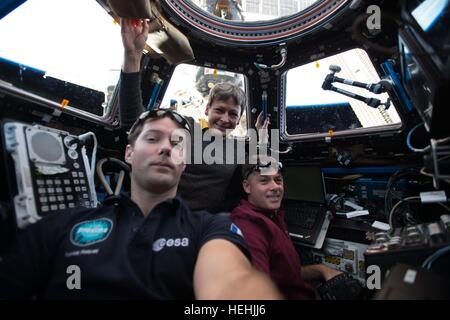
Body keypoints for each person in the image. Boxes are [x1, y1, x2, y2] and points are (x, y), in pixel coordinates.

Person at [0, 109, 282, 299]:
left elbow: (232, 284)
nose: (165, 147)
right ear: (129, 153)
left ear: (184, 162)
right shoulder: (64, 225)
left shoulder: (210, 229)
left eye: (176, 143)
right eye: (152, 138)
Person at [119, 18, 268, 213]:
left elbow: (261, 176)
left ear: (239, 119)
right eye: (219, 110)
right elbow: (134, 122)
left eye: (233, 114)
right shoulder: (187, 130)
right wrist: (132, 55)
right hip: (159, 214)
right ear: (207, 110)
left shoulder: (241, 149)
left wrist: (262, 142)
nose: (224, 119)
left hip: (202, 225)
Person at [230, 155, 343, 300]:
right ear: (247, 186)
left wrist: (321, 270)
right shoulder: (248, 225)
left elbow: (285, 273)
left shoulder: (272, 215)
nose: (275, 187)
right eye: (264, 181)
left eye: (278, 180)